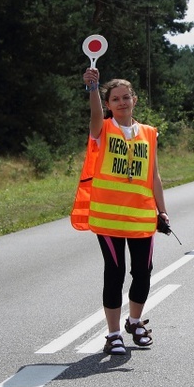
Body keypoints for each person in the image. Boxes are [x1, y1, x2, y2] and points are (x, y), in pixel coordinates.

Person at [72, 68, 169, 355]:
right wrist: (93, 89)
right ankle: (113, 334)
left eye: (126, 97)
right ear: (109, 104)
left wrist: (162, 211)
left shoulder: (149, 134)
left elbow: (154, 177)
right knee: (115, 273)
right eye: (115, 99)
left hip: (141, 216)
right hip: (108, 218)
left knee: (143, 272)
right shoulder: (103, 129)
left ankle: (135, 322)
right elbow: (94, 116)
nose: (122, 102)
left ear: (134, 100)